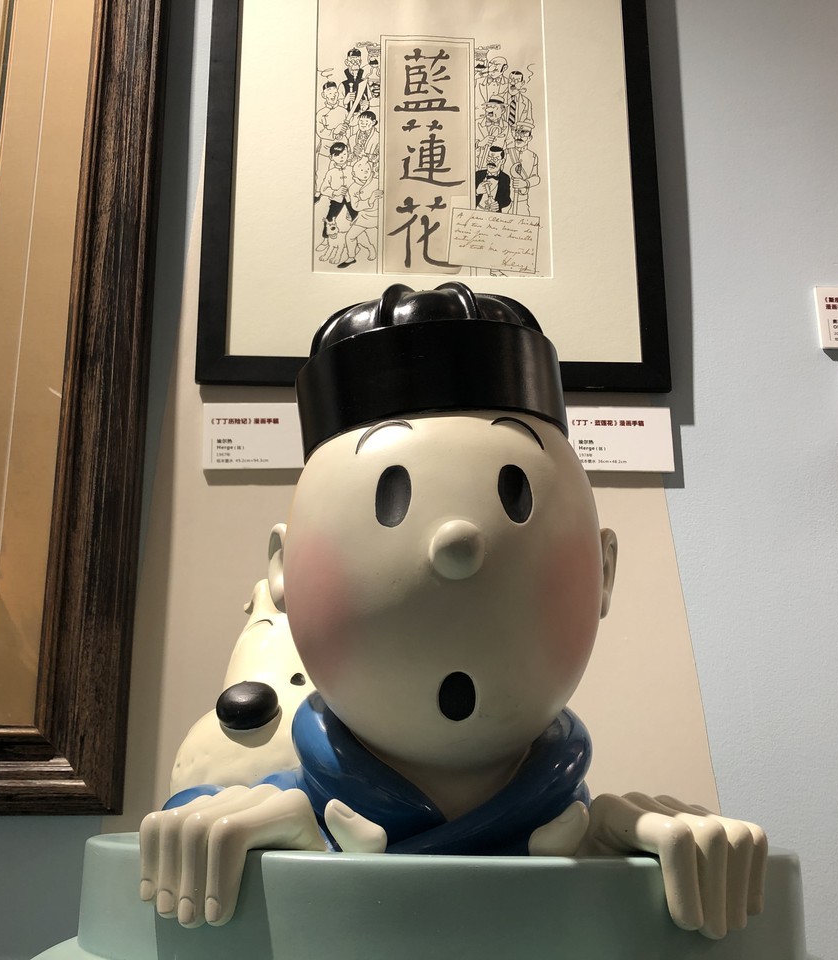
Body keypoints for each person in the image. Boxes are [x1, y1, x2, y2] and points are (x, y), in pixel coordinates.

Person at [139, 284, 766, 940]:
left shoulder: (600, 835)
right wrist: (245, 845)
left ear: (603, 569)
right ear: (282, 569)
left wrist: (632, 869)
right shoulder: (239, 819)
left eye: (515, 493)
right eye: (391, 496)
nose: (457, 542)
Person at [505, 125, 541, 215]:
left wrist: (525, 183)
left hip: (522, 200)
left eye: (523, 133)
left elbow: (536, 177)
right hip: (504, 199)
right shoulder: (505, 153)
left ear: (529, 138)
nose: (519, 136)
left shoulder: (533, 156)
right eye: (516, 132)